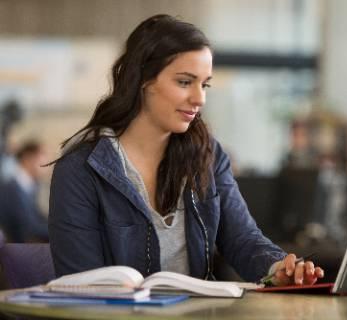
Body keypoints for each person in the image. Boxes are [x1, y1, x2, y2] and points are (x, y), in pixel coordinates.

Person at [48, 14, 324, 285]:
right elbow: (80, 285)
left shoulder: (208, 154)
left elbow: (242, 238)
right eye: (184, 82)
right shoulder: (83, 166)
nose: (199, 98)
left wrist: (278, 268)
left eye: (204, 84)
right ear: (143, 79)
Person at [0, 140, 49, 242]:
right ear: (28, 158)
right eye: (42, 156)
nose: (46, 162)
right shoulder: (11, 189)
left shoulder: (33, 185)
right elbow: (29, 227)